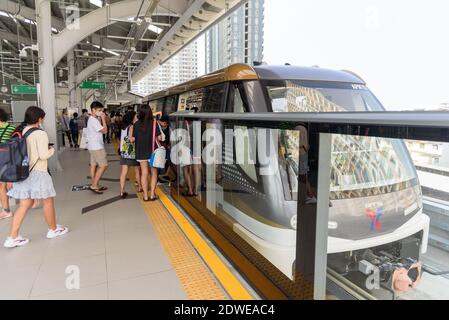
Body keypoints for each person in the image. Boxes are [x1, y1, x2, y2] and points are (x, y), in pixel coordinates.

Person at [3, 106, 68, 248]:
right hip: (38, 173)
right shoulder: (40, 133)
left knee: (24, 205)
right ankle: (53, 229)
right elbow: (43, 155)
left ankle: (12, 237)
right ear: (39, 118)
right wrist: (52, 149)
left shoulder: (22, 131)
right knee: (48, 202)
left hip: (23, 172)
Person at [132, 105, 160, 201]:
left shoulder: (136, 124)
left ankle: (145, 196)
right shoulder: (154, 123)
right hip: (153, 152)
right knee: (154, 172)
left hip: (141, 151)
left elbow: (134, 138)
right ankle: (152, 194)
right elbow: (159, 138)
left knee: (144, 173)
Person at [86, 101, 109, 194]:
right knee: (103, 165)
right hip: (97, 147)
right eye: (99, 110)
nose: (101, 112)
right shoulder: (94, 120)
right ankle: (94, 185)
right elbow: (105, 131)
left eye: (102, 110)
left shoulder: (92, 119)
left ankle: (95, 184)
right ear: (93, 110)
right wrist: (103, 119)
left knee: (93, 165)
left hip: (92, 146)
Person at [119, 111, 142, 198]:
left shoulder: (123, 127)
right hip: (131, 152)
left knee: (123, 172)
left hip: (123, 152)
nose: (137, 117)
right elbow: (131, 140)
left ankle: (122, 191)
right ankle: (140, 187)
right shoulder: (131, 127)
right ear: (132, 117)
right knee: (137, 170)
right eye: (136, 116)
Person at [0, 108, 16, 220]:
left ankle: (6, 210)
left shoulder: (11, 129)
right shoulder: (12, 128)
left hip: (5, 162)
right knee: (2, 186)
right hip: (8, 161)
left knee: (2, 186)